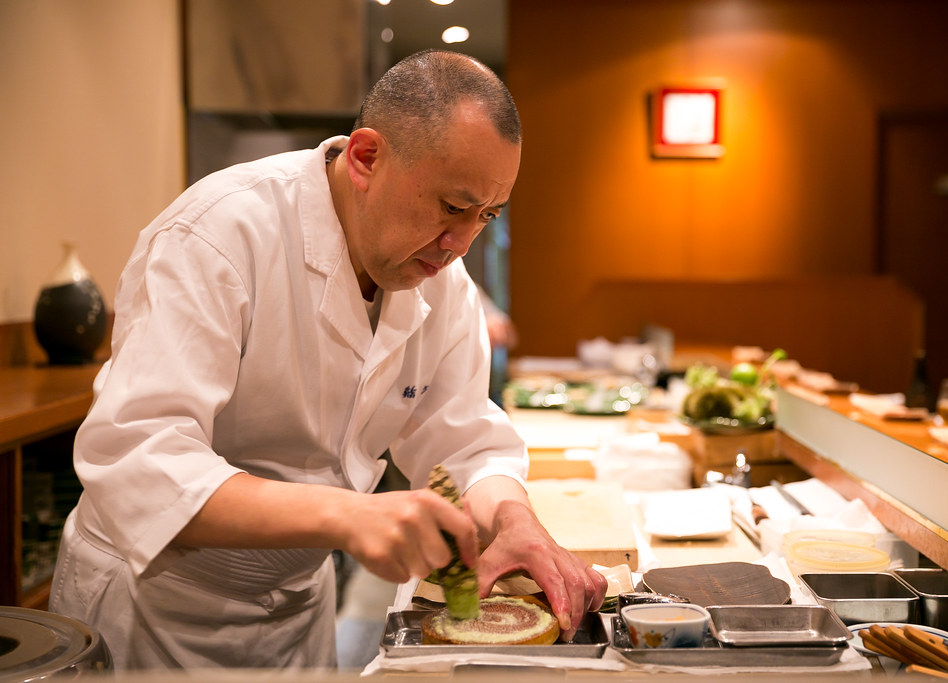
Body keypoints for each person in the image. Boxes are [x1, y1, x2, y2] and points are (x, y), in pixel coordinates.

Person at [49, 50, 606, 670]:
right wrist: (348, 515)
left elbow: (461, 441)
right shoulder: (219, 234)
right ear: (367, 157)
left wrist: (511, 517)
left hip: (299, 611)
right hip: (156, 608)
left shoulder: (439, 279)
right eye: (453, 207)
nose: (462, 244)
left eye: (487, 215)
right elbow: (139, 457)